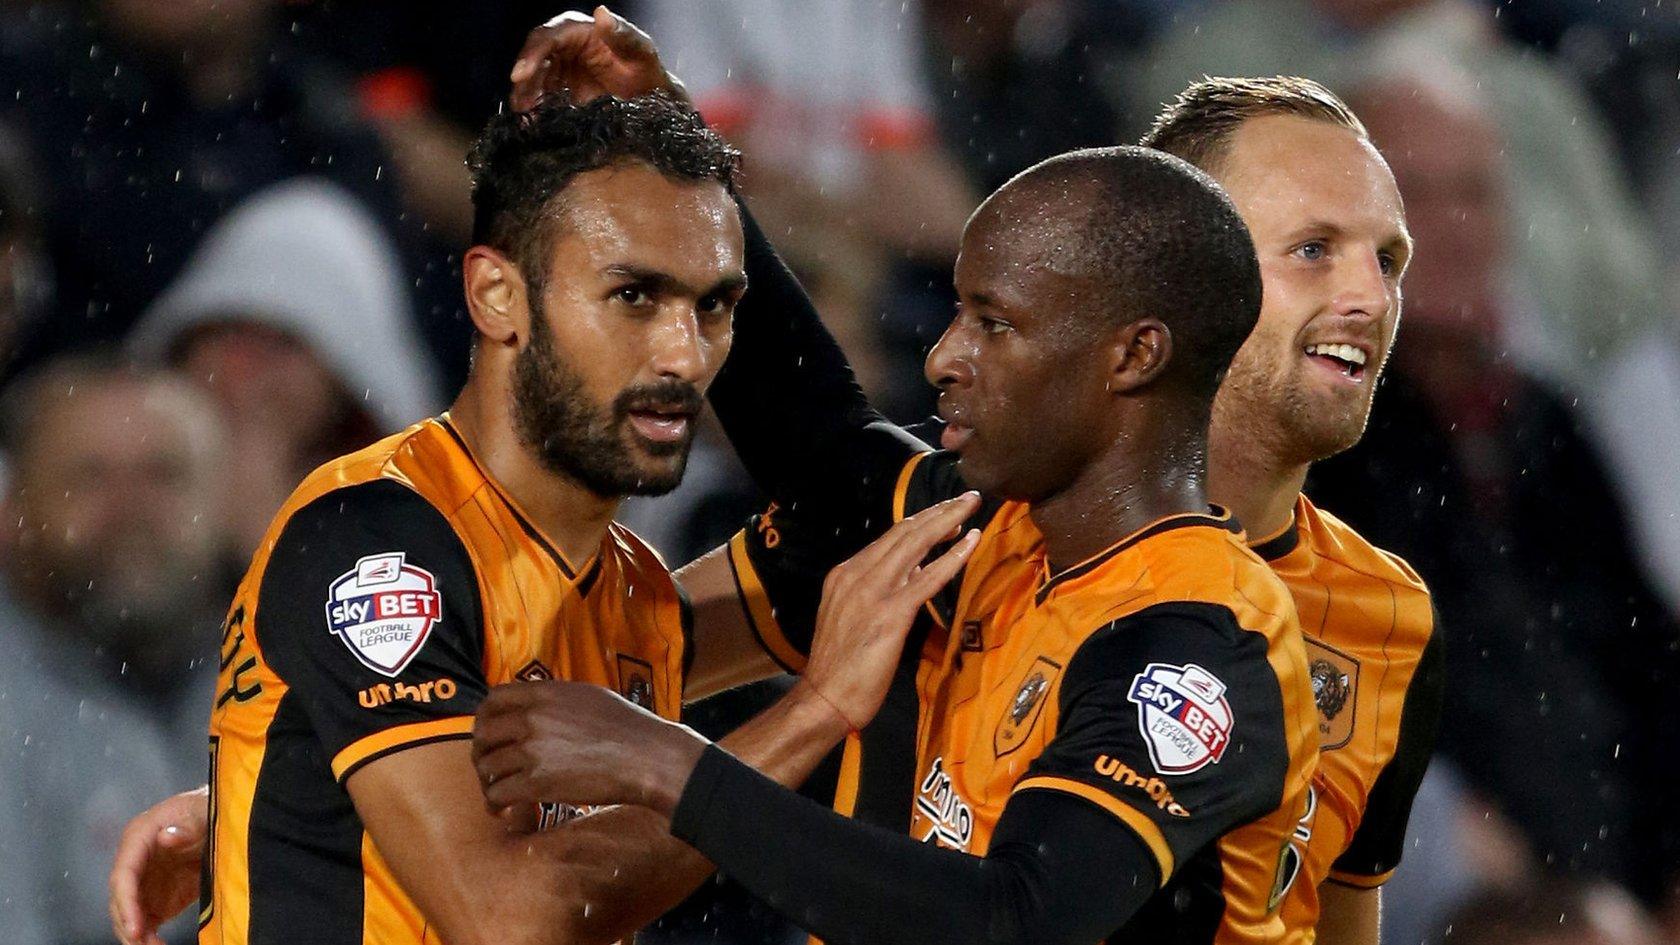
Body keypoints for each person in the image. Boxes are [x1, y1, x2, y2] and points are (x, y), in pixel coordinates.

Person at [0, 355, 228, 945]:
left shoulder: (295, 666)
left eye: (164, 474)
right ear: (16, 513)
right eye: (89, 477)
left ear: (224, 503)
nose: (133, 509)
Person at [129, 177, 445, 559]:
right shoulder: (100, 462)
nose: (242, 368)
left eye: (280, 344)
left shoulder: (411, 525)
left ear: (343, 384)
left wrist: (263, 531)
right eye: (224, 332)